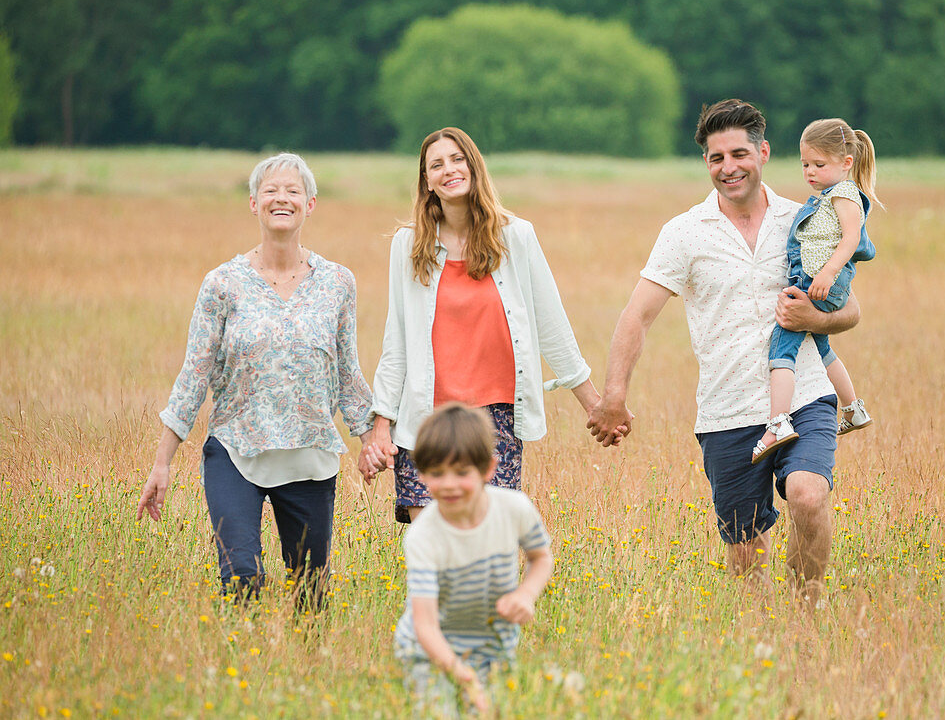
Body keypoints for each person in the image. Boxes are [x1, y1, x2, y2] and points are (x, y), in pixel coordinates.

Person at [587, 99, 860, 605]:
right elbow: (636, 317)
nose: (728, 167)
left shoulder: (803, 219)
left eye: (739, 153)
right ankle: (757, 634)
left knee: (807, 494)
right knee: (744, 552)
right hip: (725, 410)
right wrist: (613, 396)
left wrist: (813, 320)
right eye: (716, 158)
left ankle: (809, 607)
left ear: (763, 152)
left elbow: (850, 311)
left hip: (804, 393)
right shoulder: (684, 232)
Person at [136, 152, 374, 609]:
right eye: (270, 190)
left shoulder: (338, 283)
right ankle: (241, 670)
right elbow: (194, 376)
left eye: (292, 191)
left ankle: (306, 667)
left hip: (309, 456)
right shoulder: (223, 284)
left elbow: (347, 372)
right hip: (234, 450)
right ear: (253, 203)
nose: (281, 198)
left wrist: (371, 438)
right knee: (241, 579)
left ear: (311, 204)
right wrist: (162, 461)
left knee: (310, 592)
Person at [360, 126, 622, 522]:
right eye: (436, 164)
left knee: (488, 544)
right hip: (424, 418)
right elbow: (396, 340)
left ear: (473, 166)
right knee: (432, 545)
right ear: (426, 181)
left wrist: (594, 404)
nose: (449, 169)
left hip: (495, 419)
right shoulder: (408, 245)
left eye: (457, 159)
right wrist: (382, 425)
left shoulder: (515, 237)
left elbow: (551, 324)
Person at [393, 403, 553, 715]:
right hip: (428, 650)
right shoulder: (423, 536)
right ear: (421, 476)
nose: (449, 484)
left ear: (488, 469)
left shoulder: (514, 508)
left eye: (462, 472)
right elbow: (425, 625)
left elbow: (541, 557)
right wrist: (462, 675)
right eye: (437, 474)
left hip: (493, 646)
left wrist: (526, 594)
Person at [752, 118, 881, 464]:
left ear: (846, 163)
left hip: (817, 281)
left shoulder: (843, 194)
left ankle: (777, 423)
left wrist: (827, 271)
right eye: (805, 164)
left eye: (819, 165)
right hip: (816, 278)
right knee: (821, 347)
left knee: (782, 347)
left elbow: (852, 239)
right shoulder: (829, 194)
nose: (809, 171)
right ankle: (854, 409)